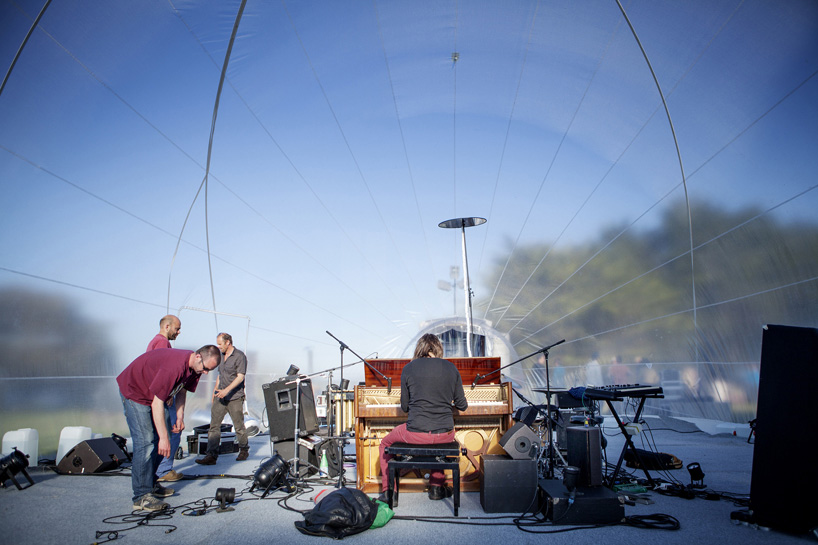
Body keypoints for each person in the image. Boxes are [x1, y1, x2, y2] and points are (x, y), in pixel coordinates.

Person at [118, 344, 221, 512]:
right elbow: (157, 403)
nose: (206, 373)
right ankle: (141, 496)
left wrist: (180, 417)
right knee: (147, 442)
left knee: (160, 438)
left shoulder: (195, 368)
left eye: (210, 370)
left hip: (154, 396)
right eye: (205, 368)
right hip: (135, 392)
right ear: (198, 357)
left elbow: (182, 391)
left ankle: (150, 484)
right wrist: (164, 438)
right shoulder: (174, 368)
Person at [377, 333, 468, 503]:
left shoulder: (408, 368)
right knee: (438, 441)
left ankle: (389, 492)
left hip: (415, 433)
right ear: (437, 349)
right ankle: (436, 488)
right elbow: (463, 405)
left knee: (385, 443)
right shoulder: (451, 368)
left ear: (420, 349)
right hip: (445, 434)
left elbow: (404, 407)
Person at [195, 332, 250, 465]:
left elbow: (240, 377)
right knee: (214, 426)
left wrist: (227, 390)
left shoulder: (239, 356)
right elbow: (220, 375)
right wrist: (215, 391)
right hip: (220, 396)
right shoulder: (220, 356)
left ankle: (244, 449)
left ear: (228, 343)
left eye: (220, 344)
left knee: (239, 426)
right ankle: (211, 456)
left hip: (235, 397)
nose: (218, 347)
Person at [146, 315, 184, 483]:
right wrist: (166, 393)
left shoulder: (156, 342)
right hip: (163, 396)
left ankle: (160, 469)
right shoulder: (162, 343)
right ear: (167, 327)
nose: (178, 332)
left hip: (160, 394)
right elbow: (161, 371)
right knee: (173, 430)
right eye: (177, 328)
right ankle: (164, 470)